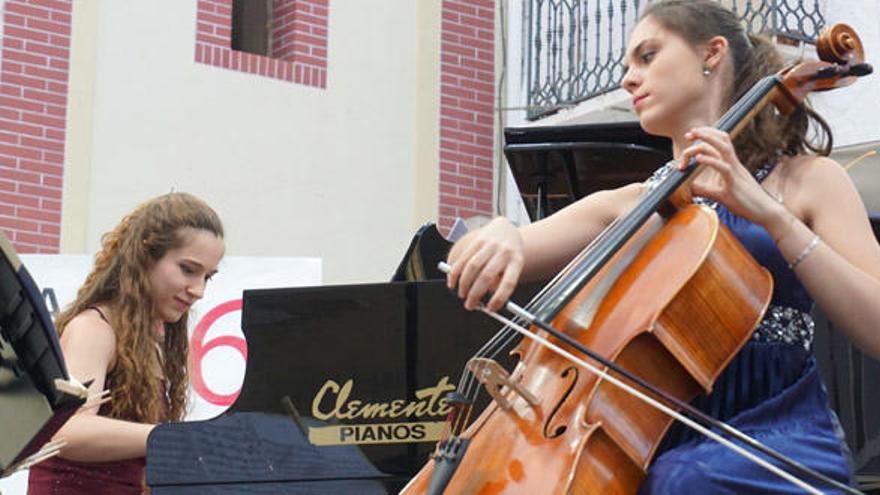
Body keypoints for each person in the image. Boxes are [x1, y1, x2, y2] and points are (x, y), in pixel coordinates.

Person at [445, 1, 880, 493]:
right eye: (626, 67)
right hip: (647, 438)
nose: (629, 79)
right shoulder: (631, 205)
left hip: (778, 435)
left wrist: (773, 217)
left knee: (682, 481)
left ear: (711, 54)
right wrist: (501, 232)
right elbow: (509, 246)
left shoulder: (806, 182)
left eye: (647, 56)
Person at [27, 192, 225, 494]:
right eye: (188, 269)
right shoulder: (93, 329)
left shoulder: (152, 343)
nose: (198, 289)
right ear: (145, 256)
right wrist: (171, 439)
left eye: (207, 277)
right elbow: (66, 431)